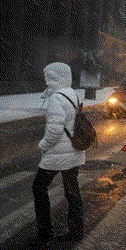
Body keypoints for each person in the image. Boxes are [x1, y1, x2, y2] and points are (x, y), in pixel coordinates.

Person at [27, 62, 85, 248]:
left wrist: (42, 145)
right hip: (73, 152)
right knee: (72, 192)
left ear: (54, 78)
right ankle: (76, 231)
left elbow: (54, 131)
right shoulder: (71, 94)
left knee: (39, 188)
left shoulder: (56, 99)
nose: (46, 80)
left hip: (57, 154)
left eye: (48, 77)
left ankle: (45, 233)